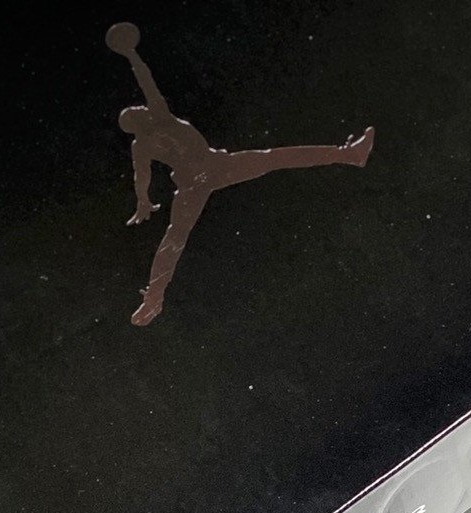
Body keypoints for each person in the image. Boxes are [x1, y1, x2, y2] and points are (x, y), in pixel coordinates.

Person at [106, 23, 374, 325]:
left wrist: (143, 200)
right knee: (274, 159)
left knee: (177, 236)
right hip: (211, 170)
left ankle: (154, 299)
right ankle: (347, 154)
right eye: (137, 111)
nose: (141, 107)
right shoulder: (159, 117)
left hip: (199, 178)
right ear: (139, 121)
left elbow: (141, 176)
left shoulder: (142, 143)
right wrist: (132, 54)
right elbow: (146, 81)